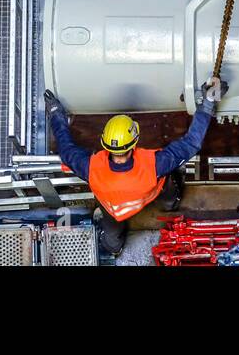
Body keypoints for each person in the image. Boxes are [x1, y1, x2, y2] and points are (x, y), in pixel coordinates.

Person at [44, 78, 226, 257]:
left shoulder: (90, 168)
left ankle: (114, 249)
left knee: (112, 237)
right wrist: (207, 104)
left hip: (113, 209)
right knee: (169, 191)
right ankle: (171, 204)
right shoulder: (155, 165)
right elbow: (191, 143)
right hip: (150, 194)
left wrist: (55, 112)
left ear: (105, 143)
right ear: (134, 143)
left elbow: (66, 149)